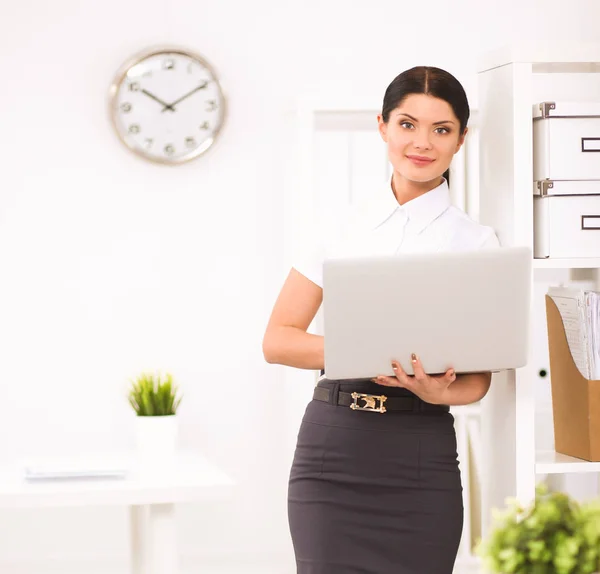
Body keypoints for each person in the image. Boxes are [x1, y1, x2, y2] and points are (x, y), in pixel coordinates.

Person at [262, 66, 499, 574]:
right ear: (383, 127)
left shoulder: (477, 245)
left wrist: (437, 392)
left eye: (442, 129)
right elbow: (278, 341)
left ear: (461, 138)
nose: (422, 142)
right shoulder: (337, 229)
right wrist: (365, 350)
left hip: (419, 454)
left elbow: (478, 381)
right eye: (407, 124)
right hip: (333, 452)